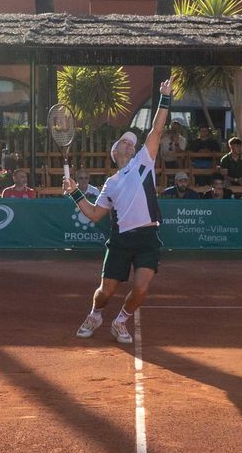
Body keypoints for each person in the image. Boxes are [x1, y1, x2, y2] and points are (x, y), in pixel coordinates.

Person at [67, 80, 175, 344]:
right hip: (120, 240)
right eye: (125, 142)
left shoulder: (144, 162)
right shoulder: (111, 183)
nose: (130, 145)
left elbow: (157, 129)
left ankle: (120, 321)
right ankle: (95, 315)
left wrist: (165, 97)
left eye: (132, 143)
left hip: (148, 237)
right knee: (106, 292)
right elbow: (94, 214)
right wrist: (75, 193)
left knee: (141, 289)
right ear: (114, 152)